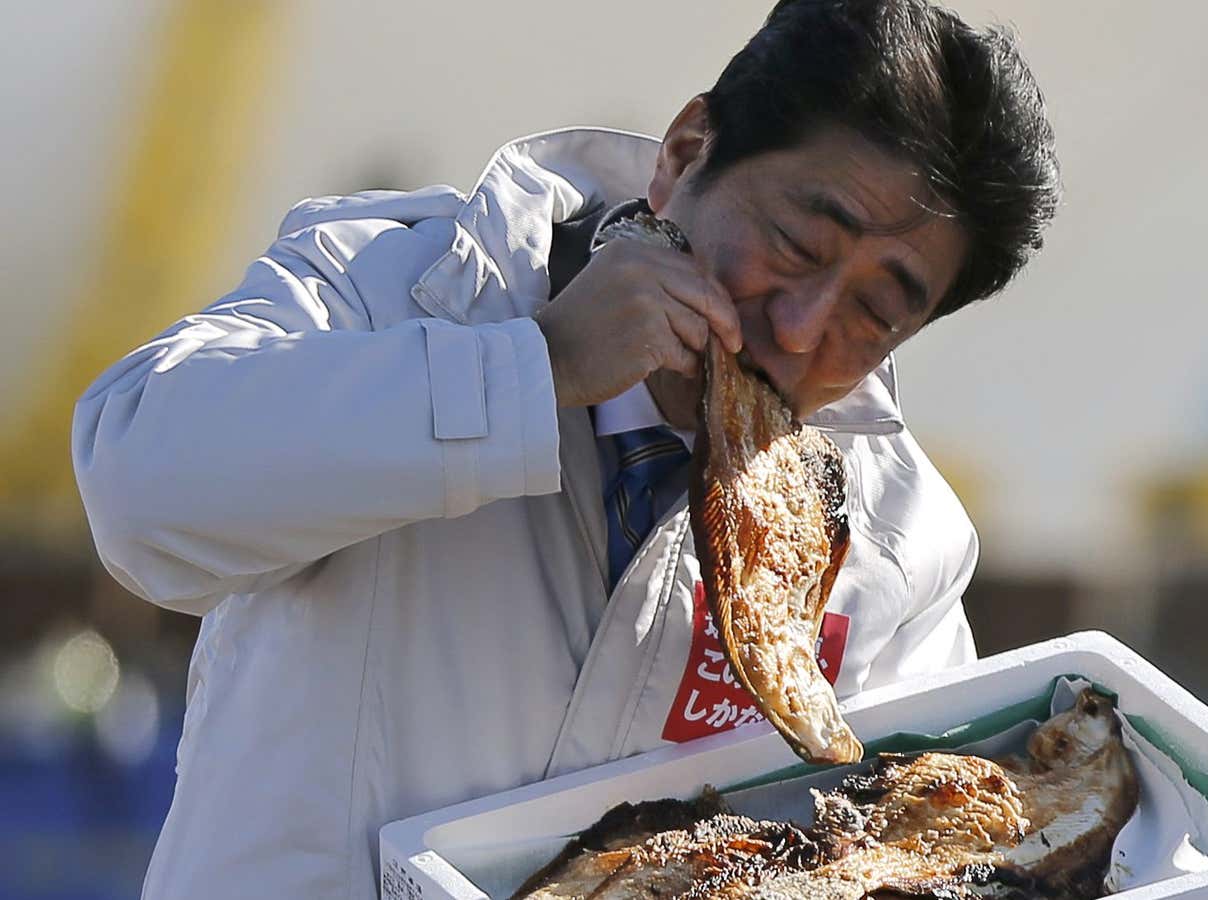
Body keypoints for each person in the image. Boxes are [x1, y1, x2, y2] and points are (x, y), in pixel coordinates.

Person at [71, 1, 1058, 897]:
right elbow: (136, 491)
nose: (800, 328)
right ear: (684, 150)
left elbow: (903, 848)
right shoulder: (396, 285)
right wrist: (531, 369)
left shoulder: (896, 543)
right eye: (796, 246)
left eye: (876, 315)